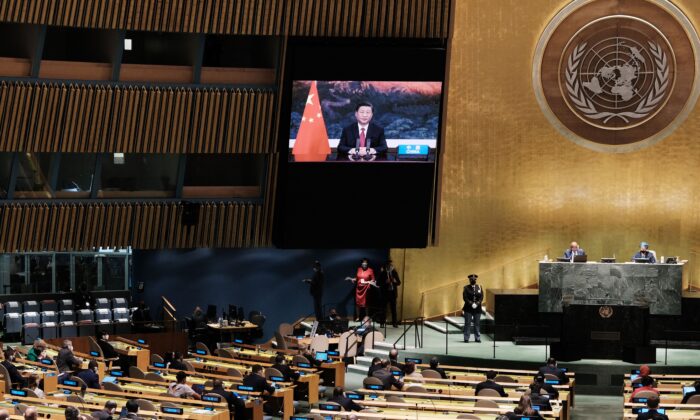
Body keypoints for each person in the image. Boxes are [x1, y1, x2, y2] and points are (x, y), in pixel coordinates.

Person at [378, 260, 401, 328]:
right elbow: (378, 283)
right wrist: (385, 282)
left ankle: (394, 323)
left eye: (391, 265)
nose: (391, 266)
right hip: (385, 294)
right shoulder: (383, 273)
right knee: (383, 309)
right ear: (386, 266)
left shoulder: (394, 272)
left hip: (393, 294)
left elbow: (399, 282)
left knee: (393, 309)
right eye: (389, 265)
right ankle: (382, 323)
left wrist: (394, 281)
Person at [462, 274, 483, 343]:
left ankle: (477, 338)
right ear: (469, 280)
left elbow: (481, 297)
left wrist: (477, 303)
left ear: (476, 280)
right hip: (468, 308)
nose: (473, 280)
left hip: (477, 308)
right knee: (467, 323)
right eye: (471, 279)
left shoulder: (479, 287)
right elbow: (465, 297)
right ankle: (466, 338)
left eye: (474, 279)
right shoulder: (466, 288)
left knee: (477, 324)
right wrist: (471, 303)